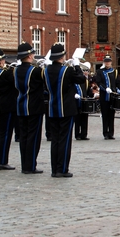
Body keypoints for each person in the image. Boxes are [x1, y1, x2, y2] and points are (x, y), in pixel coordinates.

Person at [43, 43, 87, 177]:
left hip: (52, 108)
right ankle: (62, 169)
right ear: (62, 56)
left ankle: (54, 169)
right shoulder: (67, 70)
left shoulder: (46, 70)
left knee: (55, 140)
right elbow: (81, 79)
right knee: (65, 140)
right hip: (66, 108)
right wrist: (77, 65)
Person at [14, 42, 45, 174]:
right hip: (34, 106)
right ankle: (30, 165)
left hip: (21, 106)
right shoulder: (36, 71)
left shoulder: (15, 70)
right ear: (29, 56)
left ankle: (24, 164)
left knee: (24, 137)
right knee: (33, 137)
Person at [97, 55, 118, 140]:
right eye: (106, 62)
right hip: (104, 97)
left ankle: (111, 133)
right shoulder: (100, 71)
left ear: (111, 62)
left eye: (109, 61)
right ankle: (105, 133)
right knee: (105, 115)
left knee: (111, 115)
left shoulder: (114, 71)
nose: (107, 63)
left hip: (112, 96)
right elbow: (98, 82)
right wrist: (105, 88)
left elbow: (117, 82)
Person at [74, 67, 91, 141]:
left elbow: (87, 90)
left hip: (84, 101)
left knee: (84, 118)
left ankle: (84, 134)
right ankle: (77, 134)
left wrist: (90, 95)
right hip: (76, 102)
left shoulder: (85, 81)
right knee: (77, 119)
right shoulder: (73, 82)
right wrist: (74, 94)